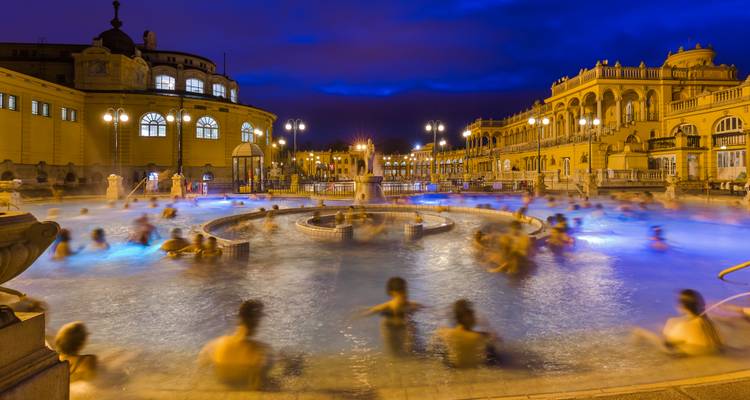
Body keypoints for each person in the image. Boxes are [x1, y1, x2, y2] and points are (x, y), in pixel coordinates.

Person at [199, 300, 273, 390]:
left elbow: (201, 368)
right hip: (246, 382)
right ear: (257, 321)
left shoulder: (215, 345)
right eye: (259, 319)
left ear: (239, 318)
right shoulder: (262, 351)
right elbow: (260, 380)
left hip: (223, 379)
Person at [633, 289, 722, 356]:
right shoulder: (708, 322)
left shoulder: (683, 327)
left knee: (638, 331)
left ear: (682, 306)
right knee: (664, 326)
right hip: (712, 352)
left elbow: (667, 343)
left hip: (689, 356)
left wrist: (668, 326)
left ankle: (634, 353)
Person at [362, 277, 423, 356]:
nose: (403, 295)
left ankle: (413, 351)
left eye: (405, 291)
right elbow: (372, 311)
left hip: (404, 325)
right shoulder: (388, 305)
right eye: (400, 293)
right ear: (391, 293)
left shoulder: (411, 305)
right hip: (389, 327)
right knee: (394, 352)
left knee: (412, 332)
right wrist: (359, 315)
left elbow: (424, 309)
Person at [430, 299, 500, 368]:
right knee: (494, 351)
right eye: (472, 314)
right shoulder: (479, 337)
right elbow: (497, 339)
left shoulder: (444, 332)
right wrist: (486, 324)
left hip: (453, 368)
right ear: (466, 317)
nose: (475, 317)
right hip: (474, 371)